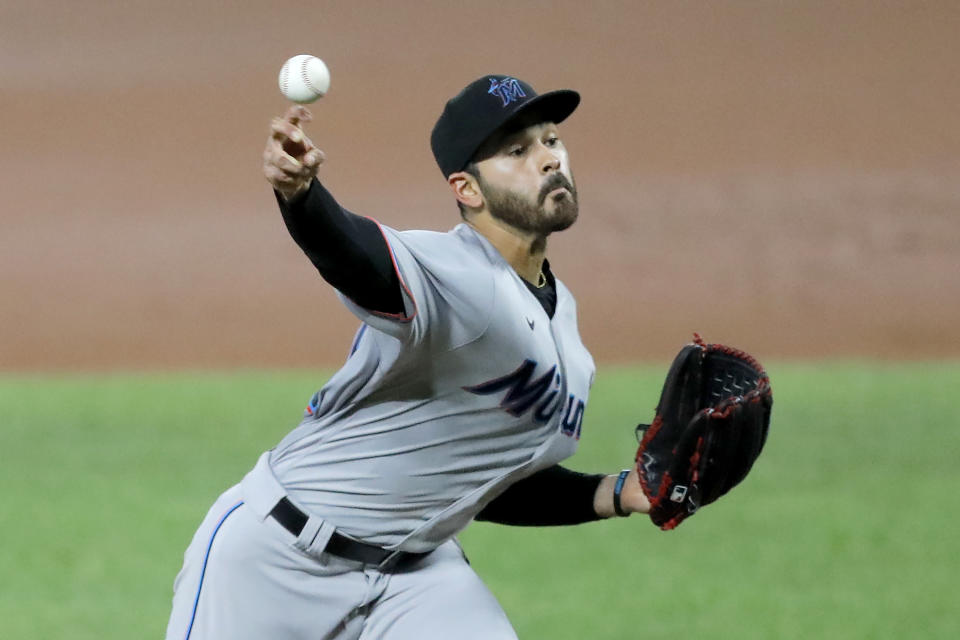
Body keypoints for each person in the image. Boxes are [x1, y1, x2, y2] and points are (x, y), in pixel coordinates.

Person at [166, 74, 650, 640]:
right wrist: (302, 197)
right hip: (275, 560)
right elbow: (358, 257)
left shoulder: (564, 328)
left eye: (551, 140)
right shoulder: (455, 272)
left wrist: (620, 491)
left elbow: (486, 478)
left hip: (416, 582)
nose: (547, 160)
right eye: (517, 150)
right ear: (467, 189)